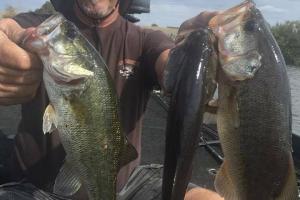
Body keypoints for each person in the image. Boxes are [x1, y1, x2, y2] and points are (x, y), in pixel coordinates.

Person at [0, 0, 223, 199]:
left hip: (125, 185)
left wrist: (197, 53)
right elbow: (8, 28)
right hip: (33, 187)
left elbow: (172, 69)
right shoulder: (45, 25)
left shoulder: (145, 39)